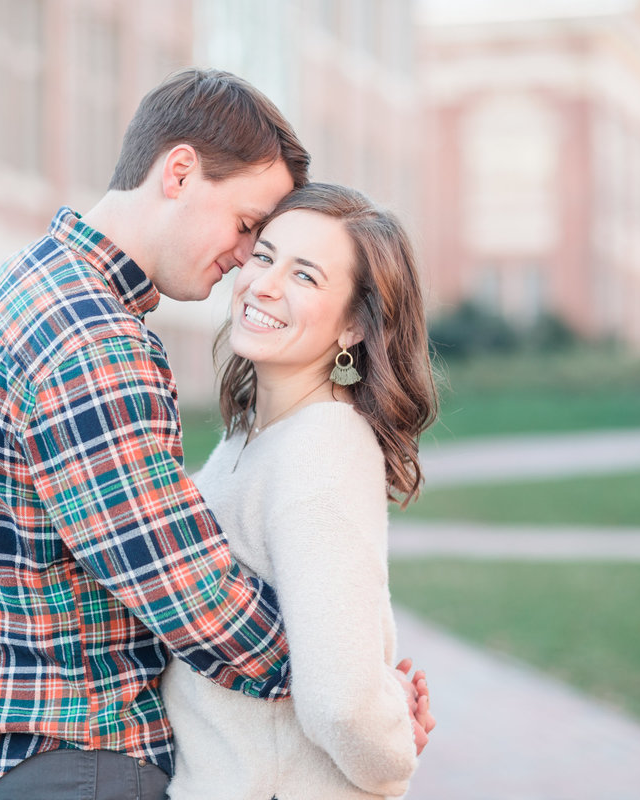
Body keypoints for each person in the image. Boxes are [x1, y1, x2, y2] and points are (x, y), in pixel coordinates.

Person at [0, 67, 315, 800]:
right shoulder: (92, 333)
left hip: (19, 763)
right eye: (247, 223)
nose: (243, 257)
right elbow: (180, 581)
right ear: (181, 171)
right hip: (86, 763)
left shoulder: (9, 291)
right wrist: (338, 677)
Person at [160, 182, 439, 799]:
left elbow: (341, 701)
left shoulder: (324, 447)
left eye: (306, 276)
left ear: (353, 330)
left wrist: (392, 746)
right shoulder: (249, 444)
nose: (264, 283)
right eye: (265, 255)